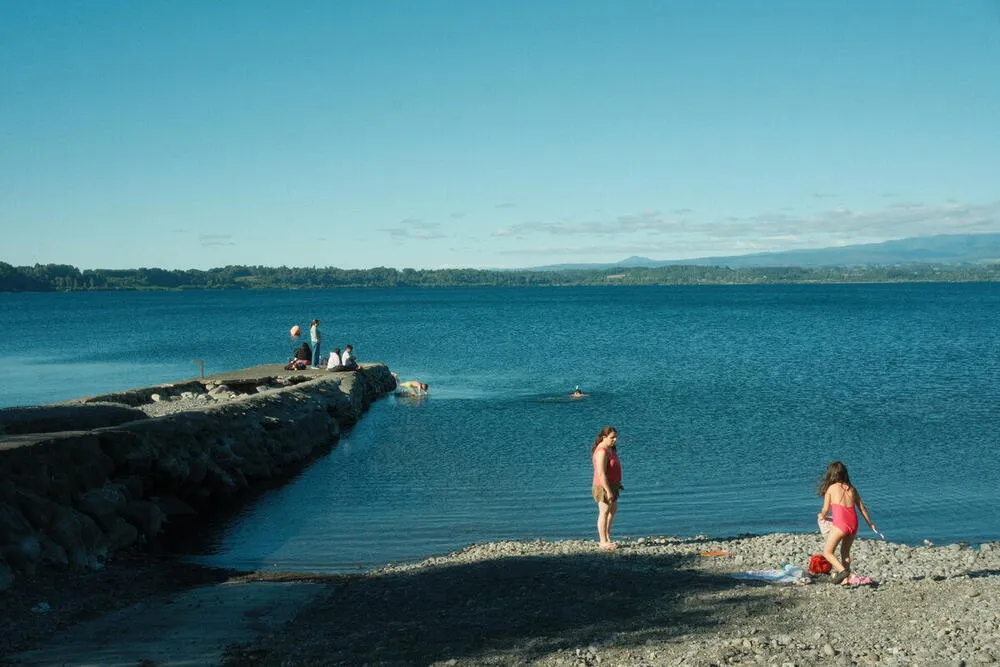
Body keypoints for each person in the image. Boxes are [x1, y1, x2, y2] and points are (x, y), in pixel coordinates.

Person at [817, 461, 878, 584]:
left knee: (828, 552)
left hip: (841, 524)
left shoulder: (831, 488)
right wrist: (870, 523)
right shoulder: (852, 489)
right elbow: (862, 508)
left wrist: (821, 516)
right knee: (845, 553)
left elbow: (826, 509)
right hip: (853, 524)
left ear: (831, 474)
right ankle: (846, 580)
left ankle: (843, 572)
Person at [591, 426, 622, 551]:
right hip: (603, 486)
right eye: (612, 437)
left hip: (613, 484)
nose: (615, 440)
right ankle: (603, 541)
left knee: (612, 509)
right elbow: (601, 473)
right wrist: (608, 491)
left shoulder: (610, 448)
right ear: (604, 437)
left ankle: (607, 536)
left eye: (616, 437)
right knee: (604, 512)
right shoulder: (601, 451)